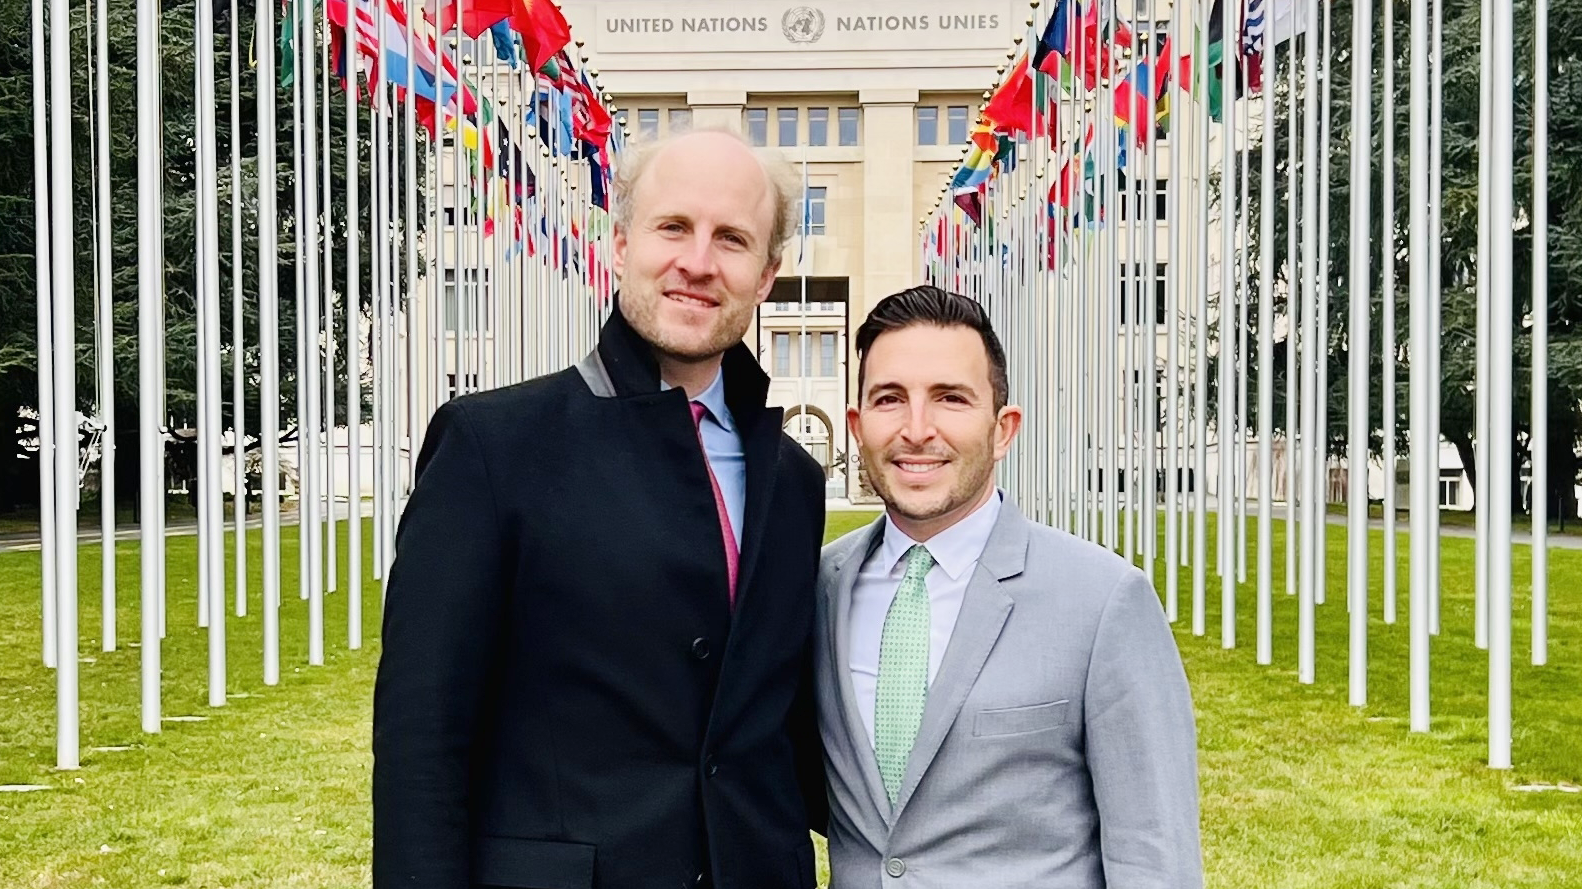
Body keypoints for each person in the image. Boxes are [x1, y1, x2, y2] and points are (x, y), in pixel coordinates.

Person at [372, 128, 828, 889]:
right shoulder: (491, 447)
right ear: (620, 244)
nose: (698, 261)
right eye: (673, 227)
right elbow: (424, 737)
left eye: (733, 238)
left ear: (767, 274)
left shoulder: (794, 478)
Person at [817, 286, 1202, 888]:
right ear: (859, 427)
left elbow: (1155, 858)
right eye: (891, 399)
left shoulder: (1104, 602)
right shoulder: (817, 590)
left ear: (1003, 429)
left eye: (950, 398)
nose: (918, 430)